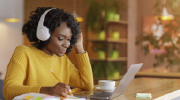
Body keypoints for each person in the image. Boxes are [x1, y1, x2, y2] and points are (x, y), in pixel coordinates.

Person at [3, 7, 94, 100]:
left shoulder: (63, 59)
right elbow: (9, 91)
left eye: (69, 39)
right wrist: (48, 90)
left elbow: (87, 85)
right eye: (61, 38)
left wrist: (79, 47)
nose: (67, 44)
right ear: (44, 34)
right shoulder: (23, 53)